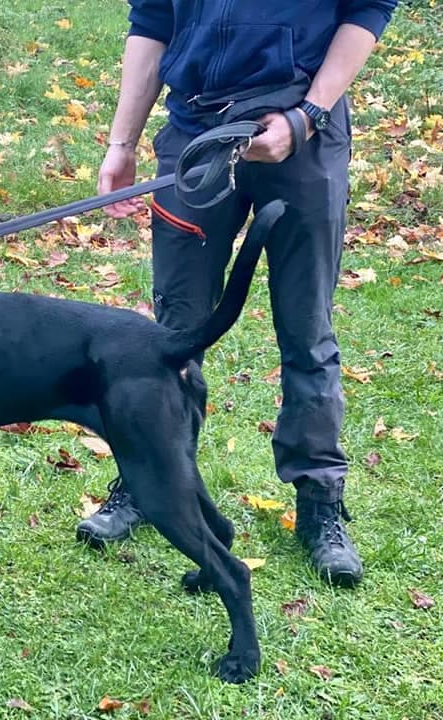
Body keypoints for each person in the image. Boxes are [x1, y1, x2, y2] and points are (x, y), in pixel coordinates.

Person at [76, 0, 399, 587]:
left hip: (304, 139)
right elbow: (152, 22)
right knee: (171, 334)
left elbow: (369, 9)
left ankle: (320, 501)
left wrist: (307, 114)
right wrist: (122, 143)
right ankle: (149, 482)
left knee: (306, 328)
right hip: (197, 136)